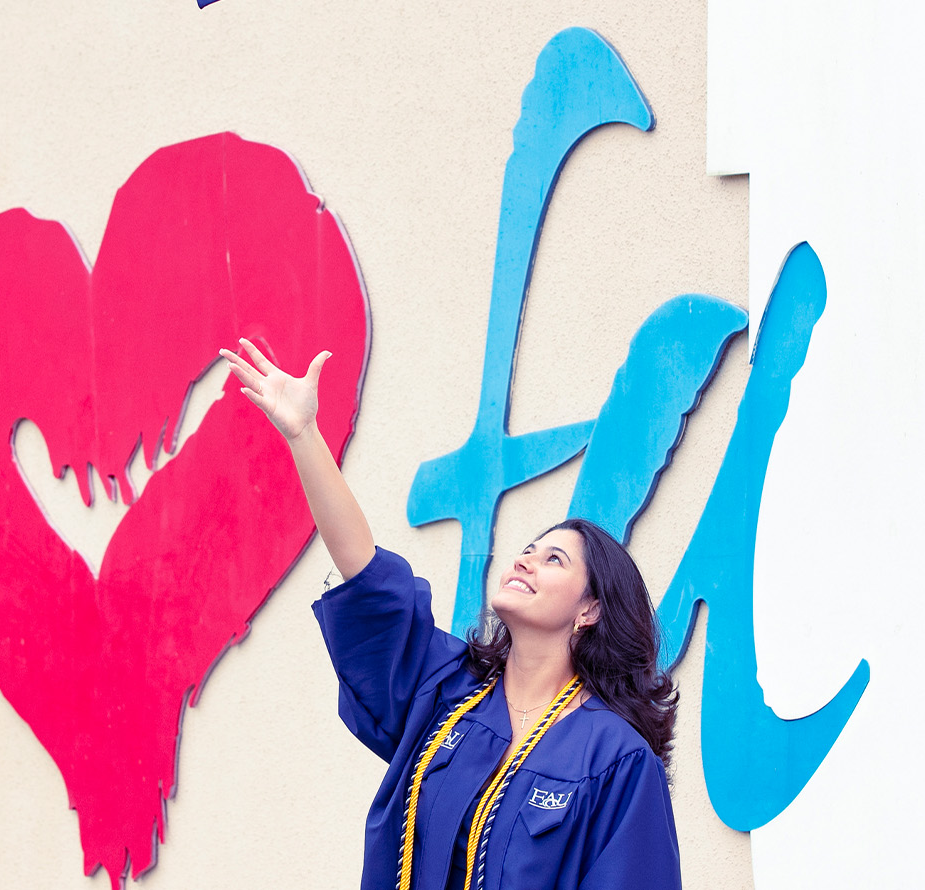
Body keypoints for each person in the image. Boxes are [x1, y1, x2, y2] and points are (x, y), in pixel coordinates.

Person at [222, 339, 681, 890]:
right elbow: (369, 581)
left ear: (590, 609)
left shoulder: (615, 760)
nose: (526, 560)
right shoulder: (448, 694)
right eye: (529, 549)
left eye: (553, 558)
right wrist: (305, 436)